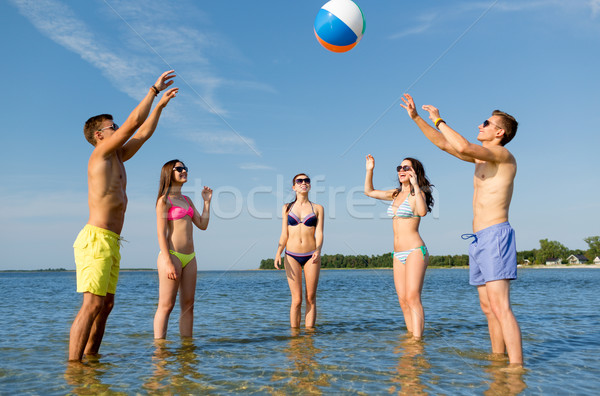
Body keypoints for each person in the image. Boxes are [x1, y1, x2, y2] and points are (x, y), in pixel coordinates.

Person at [400, 93, 523, 366]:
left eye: (486, 123)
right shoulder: (483, 159)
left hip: (495, 235)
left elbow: (464, 146)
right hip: (478, 240)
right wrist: (418, 119)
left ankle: (516, 371)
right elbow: (446, 145)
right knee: (488, 308)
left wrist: (439, 118)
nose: (480, 126)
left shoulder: (502, 155)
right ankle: (497, 362)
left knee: (501, 307)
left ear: (499, 132)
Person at [69, 70, 178, 362]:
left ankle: (91, 361)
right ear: (99, 135)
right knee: (91, 305)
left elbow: (141, 133)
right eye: (111, 125)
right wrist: (154, 90)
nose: (117, 128)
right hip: (95, 239)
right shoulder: (101, 154)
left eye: (115, 125)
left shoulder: (118, 157)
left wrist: (160, 108)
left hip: (112, 241)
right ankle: (73, 368)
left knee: (106, 306)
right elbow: (133, 123)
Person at [364, 155, 434, 339]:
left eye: (406, 168)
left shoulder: (418, 194)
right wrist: (370, 169)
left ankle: (418, 341)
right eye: (400, 168)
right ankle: (412, 338)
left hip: (415, 251)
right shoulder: (395, 194)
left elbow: (422, 212)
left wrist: (416, 186)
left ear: (414, 172)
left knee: (413, 297)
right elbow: (369, 191)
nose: (401, 171)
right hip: (398, 253)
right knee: (403, 301)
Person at [153, 160, 212, 339]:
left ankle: (187, 348)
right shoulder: (164, 200)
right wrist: (168, 261)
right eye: (179, 169)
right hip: (171, 255)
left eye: (185, 168)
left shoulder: (187, 200)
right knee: (166, 305)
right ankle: (160, 349)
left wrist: (207, 202)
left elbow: (202, 224)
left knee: (188, 305)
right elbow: (161, 233)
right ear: (168, 173)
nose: (184, 171)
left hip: (190, 257)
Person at [274, 173, 324, 329]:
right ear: (294, 187)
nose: (304, 182)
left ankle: (309, 335)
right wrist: (278, 252)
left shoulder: (318, 208)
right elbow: (284, 233)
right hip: (291, 256)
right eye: (300, 181)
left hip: (311, 255)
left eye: (307, 180)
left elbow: (320, 232)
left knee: (310, 298)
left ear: (309, 185)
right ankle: (295, 337)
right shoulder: (286, 208)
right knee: (296, 300)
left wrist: (318, 249)